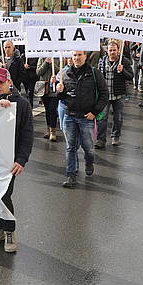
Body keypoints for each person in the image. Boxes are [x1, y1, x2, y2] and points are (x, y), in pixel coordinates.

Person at [0, 68, 33, 253]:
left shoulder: (23, 105)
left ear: (9, 82)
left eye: (1, 82)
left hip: (9, 161)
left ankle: (10, 230)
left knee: (4, 194)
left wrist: (21, 160)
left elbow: (27, 134)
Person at [56, 50, 108, 188]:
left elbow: (104, 94)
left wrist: (95, 112)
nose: (77, 58)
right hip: (70, 116)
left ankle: (89, 161)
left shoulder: (94, 73)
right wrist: (59, 91)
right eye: (74, 55)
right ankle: (71, 175)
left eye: (79, 55)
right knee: (70, 147)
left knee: (88, 148)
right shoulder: (65, 74)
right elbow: (62, 98)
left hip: (86, 117)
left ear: (85, 56)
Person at [96, 41, 134, 148]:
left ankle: (115, 136)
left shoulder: (124, 61)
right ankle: (101, 139)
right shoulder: (102, 61)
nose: (112, 52)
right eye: (110, 50)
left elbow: (131, 76)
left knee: (118, 118)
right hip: (105, 95)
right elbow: (98, 76)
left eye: (114, 50)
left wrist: (123, 71)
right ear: (107, 51)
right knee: (102, 118)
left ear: (118, 51)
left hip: (118, 95)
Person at [36, 57, 59, 142]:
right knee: (47, 110)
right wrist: (46, 63)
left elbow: (61, 71)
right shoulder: (41, 58)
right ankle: (48, 128)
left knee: (52, 109)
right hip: (44, 88)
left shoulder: (58, 58)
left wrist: (52, 64)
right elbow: (38, 72)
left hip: (54, 88)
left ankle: (53, 131)